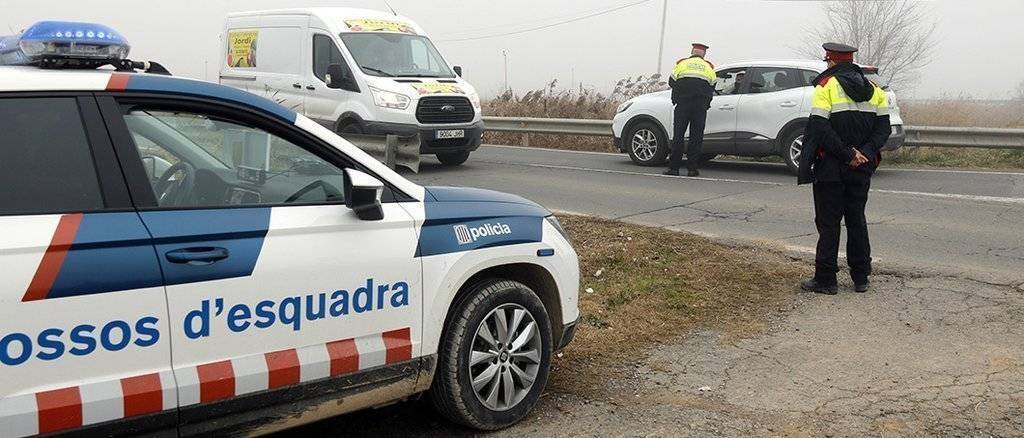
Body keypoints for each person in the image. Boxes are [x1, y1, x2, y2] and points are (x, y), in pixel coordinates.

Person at [797, 42, 891, 295]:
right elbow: (883, 129)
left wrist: (847, 154)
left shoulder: (826, 86)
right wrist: (864, 154)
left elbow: (820, 127)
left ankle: (826, 279)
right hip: (862, 167)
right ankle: (861, 277)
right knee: (856, 220)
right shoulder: (875, 90)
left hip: (831, 166)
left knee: (829, 223)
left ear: (831, 61)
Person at [664, 42, 716, 177]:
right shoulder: (708, 67)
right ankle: (692, 169)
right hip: (700, 106)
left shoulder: (682, 64)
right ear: (704, 54)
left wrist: (682, 91)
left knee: (678, 136)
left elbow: (671, 81)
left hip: (683, 104)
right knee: (696, 137)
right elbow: (713, 85)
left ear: (692, 52)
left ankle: (674, 168)